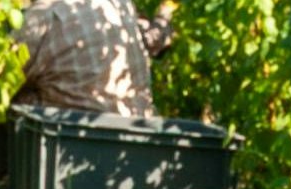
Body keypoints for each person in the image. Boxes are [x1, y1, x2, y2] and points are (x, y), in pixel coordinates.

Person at [17, 0, 175, 117]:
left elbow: (5, 74)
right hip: (137, 141)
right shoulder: (121, 4)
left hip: (68, 144)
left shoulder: (44, 16)